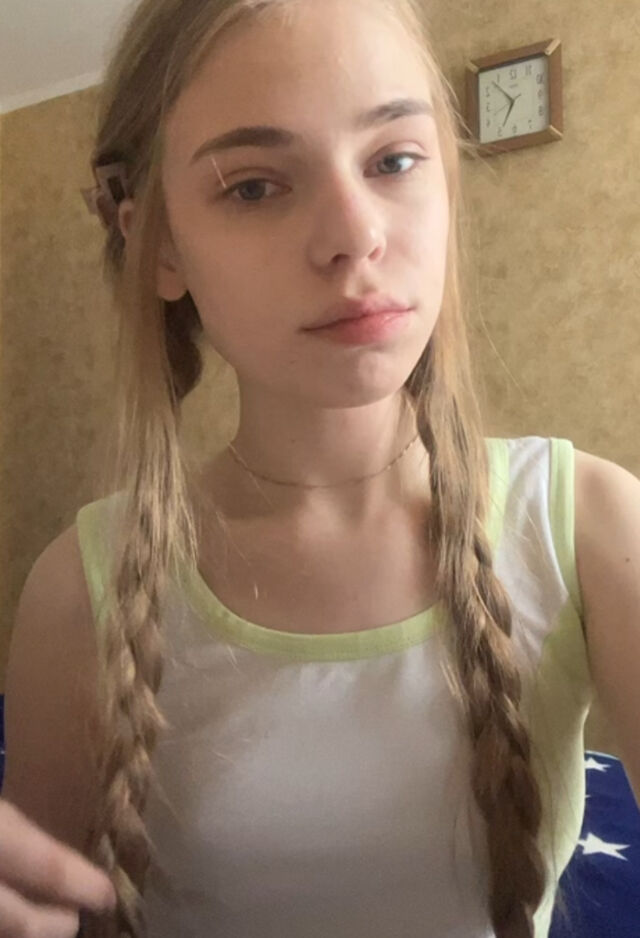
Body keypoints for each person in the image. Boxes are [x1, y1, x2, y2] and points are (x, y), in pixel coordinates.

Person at [2, 0, 639, 936]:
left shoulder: (589, 525)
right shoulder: (78, 590)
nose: (354, 234)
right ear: (160, 245)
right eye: (255, 186)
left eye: (394, 160)